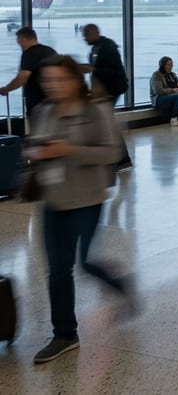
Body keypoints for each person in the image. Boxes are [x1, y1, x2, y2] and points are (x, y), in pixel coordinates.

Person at [26, 55, 130, 364]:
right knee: (57, 270)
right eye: (48, 81)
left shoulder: (96, 111)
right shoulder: (43, 111)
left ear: (75, 80)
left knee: (84, 262)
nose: (53, 86)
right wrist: (37, 152)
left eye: (60, 80)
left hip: (87, 198)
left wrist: (69, 150)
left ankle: (119, 285)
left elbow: (111, 152)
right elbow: (35, 145)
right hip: (53, 199)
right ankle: (65, 334)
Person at [0, 26, 58, 114]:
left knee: (37, 126)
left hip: (37, 100)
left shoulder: (29, 54)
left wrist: (6, 89)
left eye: (19, 41)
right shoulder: (50, 50)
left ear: (23, 39)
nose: (19, 45)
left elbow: (21, 78)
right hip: (54, 98)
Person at [80, 24, 127, 104]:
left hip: (111, 88)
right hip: (107, 88)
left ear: (95, 33)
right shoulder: (98, 47)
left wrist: (92, 69)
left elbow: (113, 71)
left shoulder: (108, 47)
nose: (85, 39)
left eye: (86, 36)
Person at [150, 57, 178, 126]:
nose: (171, 67)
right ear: (163, 65)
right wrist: (173, 90)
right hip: (159, 98)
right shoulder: (156, 75)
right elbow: (158, 91)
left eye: (171, 65)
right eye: (169, 65)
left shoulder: (173, 74)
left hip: (172, 95)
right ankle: (174, 118)